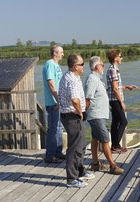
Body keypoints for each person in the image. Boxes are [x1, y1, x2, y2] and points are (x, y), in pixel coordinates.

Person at [59, 54, 95, 188]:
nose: (83, 66)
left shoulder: (71, 76)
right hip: (72, 116)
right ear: (75, 66)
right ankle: (71, 179)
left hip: (70, 116)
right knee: (74, 148)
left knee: (80, 145)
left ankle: (80, 171)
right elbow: (75, 100)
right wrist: (80, 111)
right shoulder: (72, 80)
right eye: (81, 64)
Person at [85, 56, 124, 175]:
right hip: (96, 115)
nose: (104, 67)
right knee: (106, 139)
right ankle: (113, 165)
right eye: (102, 65)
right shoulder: (92, 79)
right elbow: (88, 97)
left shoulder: (97, 79)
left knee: (96, 138)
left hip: (99, 114)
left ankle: (96, 164)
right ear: (97, 67)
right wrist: (84, 113)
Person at [106, 50, 138, 153]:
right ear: (115, 58)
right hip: (115, 100)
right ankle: (115, 145)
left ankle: (115, 146)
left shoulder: (114, 69)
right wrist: (122, 102)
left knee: (115, 122)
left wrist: (127, 86)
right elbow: (115, 89)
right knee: (124, 122)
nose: (121, 58)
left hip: (114, 99)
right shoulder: (113, 70)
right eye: (120, 56)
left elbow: (116, 86)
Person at [42, 45, 65, 163]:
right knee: (53, 129)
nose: (63, 54)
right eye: (61, 52)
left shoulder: (56, 65)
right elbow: (51, 84)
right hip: (53, 103)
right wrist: (58, 100)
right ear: (55, 53)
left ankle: (58, 152)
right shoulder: (49, 64)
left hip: (57, 102)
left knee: (59, 128)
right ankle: (50, 155)